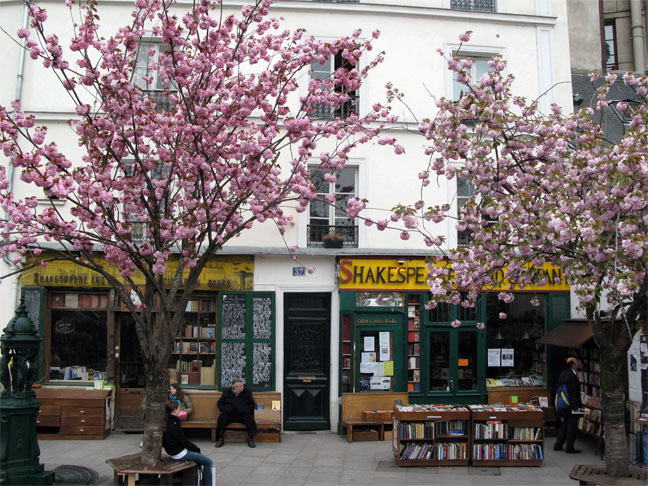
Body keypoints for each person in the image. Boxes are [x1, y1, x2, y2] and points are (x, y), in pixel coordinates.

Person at [163, 400, 214, 486]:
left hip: (173, 451)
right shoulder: (174, 423)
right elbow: (182, 440)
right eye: (179, 408)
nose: (179, 410)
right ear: (174, 410)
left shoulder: (167, 421)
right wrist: (196, 449)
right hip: (179, 453)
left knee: (199, 459)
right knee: (208, 462)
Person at [214, 379, 256, 448]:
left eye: (243, 385)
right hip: (229, 413)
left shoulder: (247, 392)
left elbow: (252, 404)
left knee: (250, 419)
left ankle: (250, 439)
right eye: (241, 386)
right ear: (235, 387)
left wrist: (245, 410)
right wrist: (225, 410)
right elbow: (220, 403)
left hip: (242, 413)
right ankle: (220, 438)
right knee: (221, 419)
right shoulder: (227, 392)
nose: (243, 387)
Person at [553, 356, 583, 453]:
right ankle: (570, 447)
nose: (578, 363)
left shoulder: (563, 374)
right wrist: (575, 407)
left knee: (565, 424)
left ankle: (558, 444)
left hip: (562, 403)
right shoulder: (572, 376)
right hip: (570, 405)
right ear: (573, 365)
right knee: (571, 426)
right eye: (577, 362)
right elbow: (573, 392)